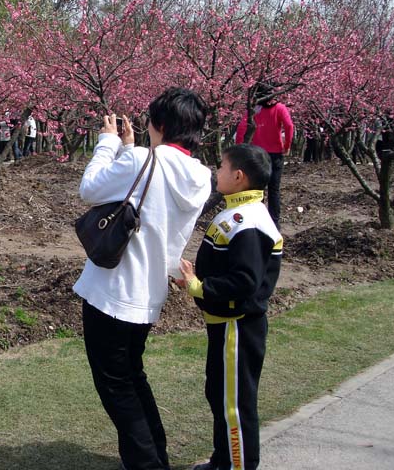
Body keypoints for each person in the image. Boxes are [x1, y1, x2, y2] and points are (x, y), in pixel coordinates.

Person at [73, 87, 212, 470]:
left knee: (117, 387)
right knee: (132, 376)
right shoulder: (201, 177)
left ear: (160, 125)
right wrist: (130, 150)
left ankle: (147, 464)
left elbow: (90, 188)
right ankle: (156, 455)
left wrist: (106, 143)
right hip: (149, 294)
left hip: (112, 292)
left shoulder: (140, 161)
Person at [176, 144, 282, 470]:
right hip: (225, 323)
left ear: (238, 176)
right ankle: (223, 459)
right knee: (219, 394)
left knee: (235, 403)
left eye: (221, 166)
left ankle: (238, 465)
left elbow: (245, 281)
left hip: (239, 325)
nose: (216, 171)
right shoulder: (239, 212)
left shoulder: (249, 221)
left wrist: (199, 286)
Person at [235, 84, 294, 226]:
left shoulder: (254, 109)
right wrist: (287, 146)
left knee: (257, 189)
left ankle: (257, 220)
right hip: (275, 153)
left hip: (257, 153)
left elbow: (242, 127)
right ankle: (274, 223)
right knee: (274, 189)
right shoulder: (280, 108)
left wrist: (240, 147)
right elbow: (289, 126)